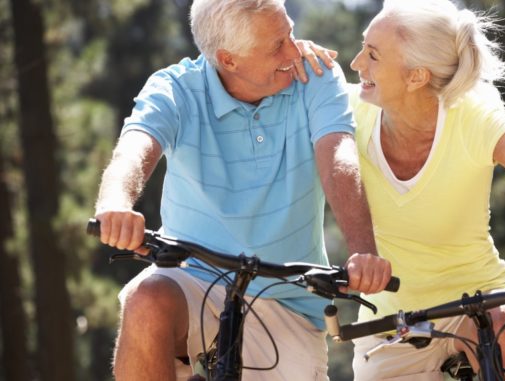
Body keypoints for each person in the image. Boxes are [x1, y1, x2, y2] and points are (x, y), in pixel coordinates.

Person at [298, 0, 505, 380]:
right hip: (390, 320)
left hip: (481, 297)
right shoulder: (344, 111)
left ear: (416, 76)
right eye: (363, 47)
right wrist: (293, 55)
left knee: (496, 329)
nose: (357, 63)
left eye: (373, 55)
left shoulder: (473, 117)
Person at [93, 0, 392, 379]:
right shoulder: (175, 88)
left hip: (289, 298)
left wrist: (363, 249)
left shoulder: (314, 75)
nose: (294, 50)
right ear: (228, 59)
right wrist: (115, 202)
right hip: (193, 277)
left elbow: (338, 158)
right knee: (146, 301)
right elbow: (134, 149)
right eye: (277, 45)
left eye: (290, 34)